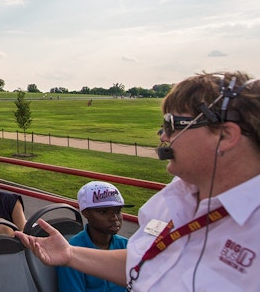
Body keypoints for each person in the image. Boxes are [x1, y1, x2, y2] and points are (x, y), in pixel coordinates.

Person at [15, 71, 260, 291]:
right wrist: (70, 255)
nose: (164, 136)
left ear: (226, 136)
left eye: (172, 125)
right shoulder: (172, 197)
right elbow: (145, 261)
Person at [57, 181, 131, 292]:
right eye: (103, 211)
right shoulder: (71, 252)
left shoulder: (127, 245)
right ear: (86, 213)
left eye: (118, 211)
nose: (114, 217)